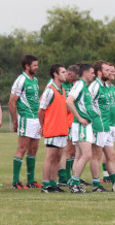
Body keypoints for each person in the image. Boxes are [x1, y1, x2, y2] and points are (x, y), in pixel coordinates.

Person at [9, 55, 42, 189]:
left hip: (36, 118)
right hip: (25, 118)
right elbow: (12, 102)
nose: (37, 67)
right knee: (22, 148)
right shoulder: (21, 80)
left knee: (33, 149)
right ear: (27, 66)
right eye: (34, 65)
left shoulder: (34, 80)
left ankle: (31, 180)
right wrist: (15, 120)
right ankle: (15, 182)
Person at [65, 64, 97, 193]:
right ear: (85, 73)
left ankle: (75, 183)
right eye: (92, 72)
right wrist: (79, 117)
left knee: (79, 156)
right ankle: (75, 183)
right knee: (87, 154)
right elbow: (69, 101)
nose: (94, 75)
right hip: (81, 124)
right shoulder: (79, 84)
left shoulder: (84, 86)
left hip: (85, 124)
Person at [38, 64, 69, 193]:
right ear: (55, 74)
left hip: (62, 129)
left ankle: (53, 183)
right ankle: (45, 185)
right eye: (63, 71)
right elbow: (41, 110)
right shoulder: (50, 90)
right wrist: (43, 125)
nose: (66, 73)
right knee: (50, 157)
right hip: (52, 129)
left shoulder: (62, 90)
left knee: (58, 158)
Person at [89, 61, 115, 192]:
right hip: (99, 125)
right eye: (107, 70)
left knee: (111, 156)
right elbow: (86, 103)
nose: (110, 72)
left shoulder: (109, 87)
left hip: (108, 126)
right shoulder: (95, 86)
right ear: (99, 72)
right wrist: (92, 119)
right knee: (96, 156)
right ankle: (96, 184)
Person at [59, 65, 79, 185]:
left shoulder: (111, 87)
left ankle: (72, 176)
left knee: (73, 150)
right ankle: (64, 177)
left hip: (109, 124)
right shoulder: (59, 84)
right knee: (66, 149)